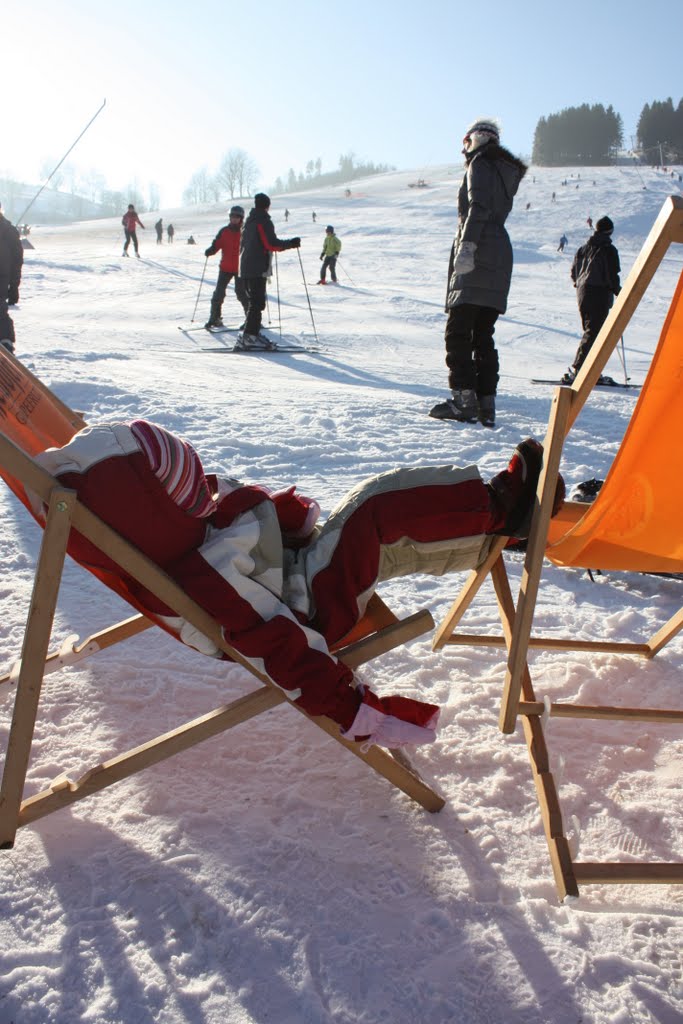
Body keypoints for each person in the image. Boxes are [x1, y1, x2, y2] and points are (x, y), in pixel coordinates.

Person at [31, 422, 565, 750]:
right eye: (191, 491)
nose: (202, 492)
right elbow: (271, 640)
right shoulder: (204, 577)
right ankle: (498, 506)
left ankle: (494, 531)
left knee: (386, 540)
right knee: (375, 511)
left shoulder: (177, 540)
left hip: (287, 578)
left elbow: (217, 522)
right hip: (301, 609)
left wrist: (274, 525)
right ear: (160, 515)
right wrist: (356, 709)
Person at [429, 118, 527, 428]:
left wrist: (467, 247)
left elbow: (478, 208)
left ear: (474, 140)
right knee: (483, 333)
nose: (464, 149)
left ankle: (464, 401)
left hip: (480, 249)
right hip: (498, 255)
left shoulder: (480, 165)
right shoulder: (501, 171)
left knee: (458, 330)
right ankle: (487, 404)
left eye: (466, 143)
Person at [238, 193, 300, 350]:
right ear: (267, 206)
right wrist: (291, 244)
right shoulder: (263, 221)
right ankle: (250, 336)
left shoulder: (249, 220)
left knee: (255, 302)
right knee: (257, 303)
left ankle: (252, 334)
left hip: (245, 267)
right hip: (256, 267)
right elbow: (271, 244)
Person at [563, 216, 621, 382]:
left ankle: (588, 369)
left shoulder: (582, 249)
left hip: (583, 293)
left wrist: (580, 284)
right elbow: (612, 274)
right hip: (599, 292)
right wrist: (618, 291)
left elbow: (574, 272)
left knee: (591, 330)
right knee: (595, 331)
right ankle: (581, 369)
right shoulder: (608, 249)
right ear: (610, 231)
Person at [203, 205, 248, 330]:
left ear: (241, 218)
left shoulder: (245, 232)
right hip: (225, 268)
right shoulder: (224, 231)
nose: (234, 219)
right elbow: (217, 244)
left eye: (236, 217)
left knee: (242, 293)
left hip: (240, 269)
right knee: (218, 294)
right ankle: (215, 318)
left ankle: (250, 319)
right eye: (232, 217)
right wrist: (211, 250)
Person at [0, 201, 23, 354]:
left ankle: (6, 347)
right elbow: (17, 261)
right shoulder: (9, 230)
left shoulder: (9, 231)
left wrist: (14, 287)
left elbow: (17, 261)